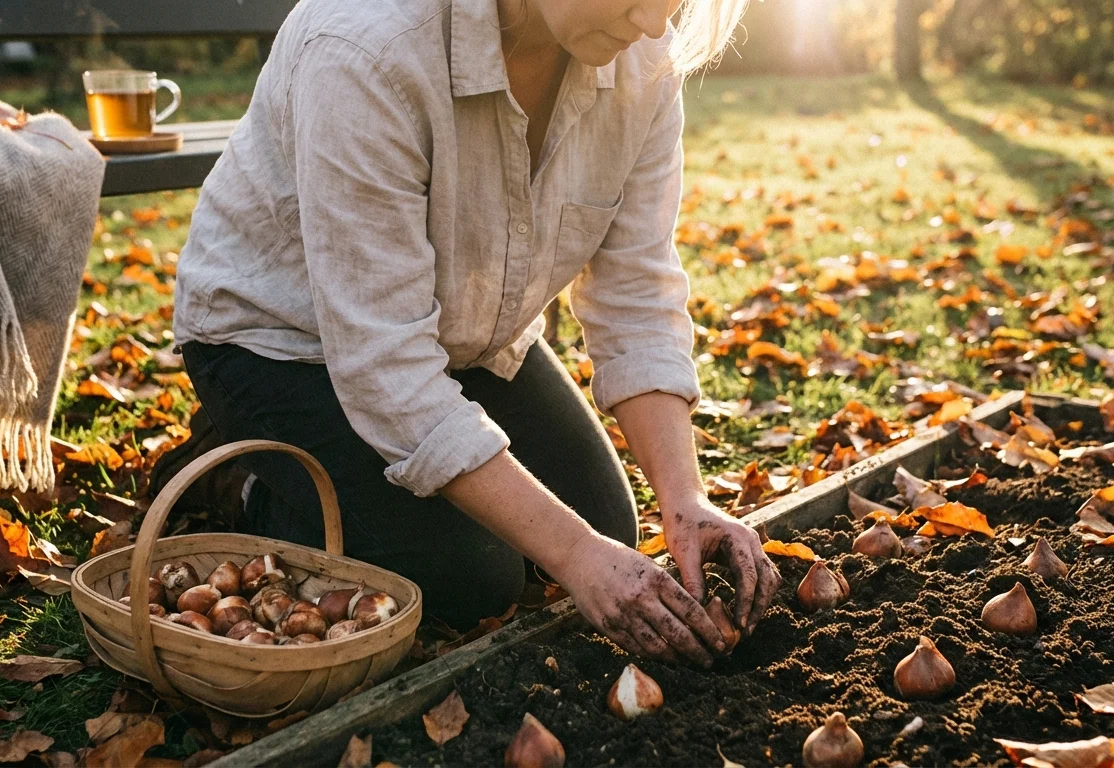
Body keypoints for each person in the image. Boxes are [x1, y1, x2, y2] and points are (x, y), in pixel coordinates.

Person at [161, 0, 779, 667]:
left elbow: (635, 292)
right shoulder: (363, 48)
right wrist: (576, 557)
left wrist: (685, 499)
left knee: (605, 529)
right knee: (469, 579)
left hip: (461, 335)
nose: (657, 26)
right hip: (276, 343)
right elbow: (386, 363)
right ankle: (251, 481)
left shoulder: (642, 59)